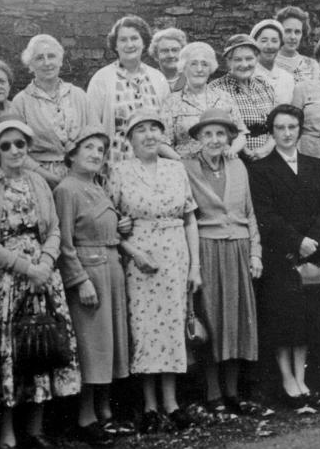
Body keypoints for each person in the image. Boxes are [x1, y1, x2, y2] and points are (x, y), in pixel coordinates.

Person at [0, 112, 80, 449]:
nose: (15, 150)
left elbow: (54, 230)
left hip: (43, 277)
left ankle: (36, 430)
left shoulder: (38, 183)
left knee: (43, 349)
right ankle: (7, 434)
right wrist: (26, 267)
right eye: (7, 145)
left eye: (20, 143)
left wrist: (46, 263)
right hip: (9, 280)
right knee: (12, 353)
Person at [107, 109, 200, 433]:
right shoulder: (119, 171)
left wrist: (195, 267)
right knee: (145, 328)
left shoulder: (177, 170)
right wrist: (127, 241)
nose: (148, 135)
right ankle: (149, 405)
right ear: (130, 138)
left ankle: (172, 403)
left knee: (173, 326)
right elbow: (109, 224)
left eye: (153, 129)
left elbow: (189, 218)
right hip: (140, 258)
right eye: (140, 130)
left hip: (175, 253)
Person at [248, 105, 320, 409]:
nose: (286, 133)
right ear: (272, 132)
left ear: (300, 130)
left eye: (292, 127)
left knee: (306, 320)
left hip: (312, 254)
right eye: (280, 128)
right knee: (284, 321)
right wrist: (297, 241)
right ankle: (287, 380)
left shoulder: (314, 165)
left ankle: (302, 377)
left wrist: (313, 241)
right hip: (280, 255)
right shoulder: (261, 170)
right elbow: (265, 214)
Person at [53, 126, 132, 446]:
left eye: (100, 150)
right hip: (90, 272)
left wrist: (121, 224)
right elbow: (64, 243)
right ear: (72, 154)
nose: (96, 154)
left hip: (111, 269)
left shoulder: (99, 186)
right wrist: (80, 280)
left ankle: (104, 411)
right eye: (88, 148)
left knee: (110, 343)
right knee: (92, 346)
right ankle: (85, 417)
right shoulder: (67, 189)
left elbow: (105, 225)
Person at [182, 109, 262, 415]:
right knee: (212, 320)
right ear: (198, 139)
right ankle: (213, 393)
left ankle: (233, 392)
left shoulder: (239, 165)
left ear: (229, 138)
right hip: (207, 248)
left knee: (238, 321)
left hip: (239, 248)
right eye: (207, 134)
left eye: (220, 134)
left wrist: (256, 252)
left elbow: (251, 212)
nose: (215, 140)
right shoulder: (186, 167)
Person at [11, 34, 98, 188]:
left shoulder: (79, 95)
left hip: (82, 176)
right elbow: (16, 149)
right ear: (30, 66)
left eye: (51, 56)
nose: (47, 63)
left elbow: (96, 136)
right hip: (39, 179)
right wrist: (46, 176)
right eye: (39, 58)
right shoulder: (21, 102)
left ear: (60, 61)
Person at [87, 15, 171, 165]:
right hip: (115, 164)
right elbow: (93, 128)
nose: (129, 44)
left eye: (134, 38)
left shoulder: (158, 79)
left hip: (154, 164)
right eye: (123, 40)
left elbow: (167, 126)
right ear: (115, 45)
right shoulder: (101, 79)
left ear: (144, 42)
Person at [162, 41, 248, 159]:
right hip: (188, 167)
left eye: (204, 64)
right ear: (184, 68)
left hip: (223, 163)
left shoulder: (224, 98)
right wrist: (180, 161)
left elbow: (241, 133)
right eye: (193, 64)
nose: (199, 69)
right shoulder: (171, 102)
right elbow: (162, 142)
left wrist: (233, 150)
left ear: (210, 69)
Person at [209, 34, 277, 163]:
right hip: (235, 158)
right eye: (238, 59)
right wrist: (246, 152)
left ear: (257, 59)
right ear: (228, 62)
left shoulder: (264, 85)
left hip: (268, 156)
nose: (244, 64)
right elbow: (217, 129)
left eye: (249, 58)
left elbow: (275, 124)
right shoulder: (216, 89)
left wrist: (265, 150)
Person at [250, 19, 295, 105]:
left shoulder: (287, 79)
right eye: (264, 41)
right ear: (255, 44)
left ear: (280, 45)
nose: (269, 46)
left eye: (274, 41)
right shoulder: (247, 76)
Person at [274, 6, 320, 83]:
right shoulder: (269, 64)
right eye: (288, 31)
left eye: (297, 32)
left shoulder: (312, 65)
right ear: (278, 32)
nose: (293, 37)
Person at [149, 27, 188, 91]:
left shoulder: (194, 81)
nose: (171, 55)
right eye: (165, 51)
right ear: (156, 55)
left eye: (175, 50)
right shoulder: (148, 81)